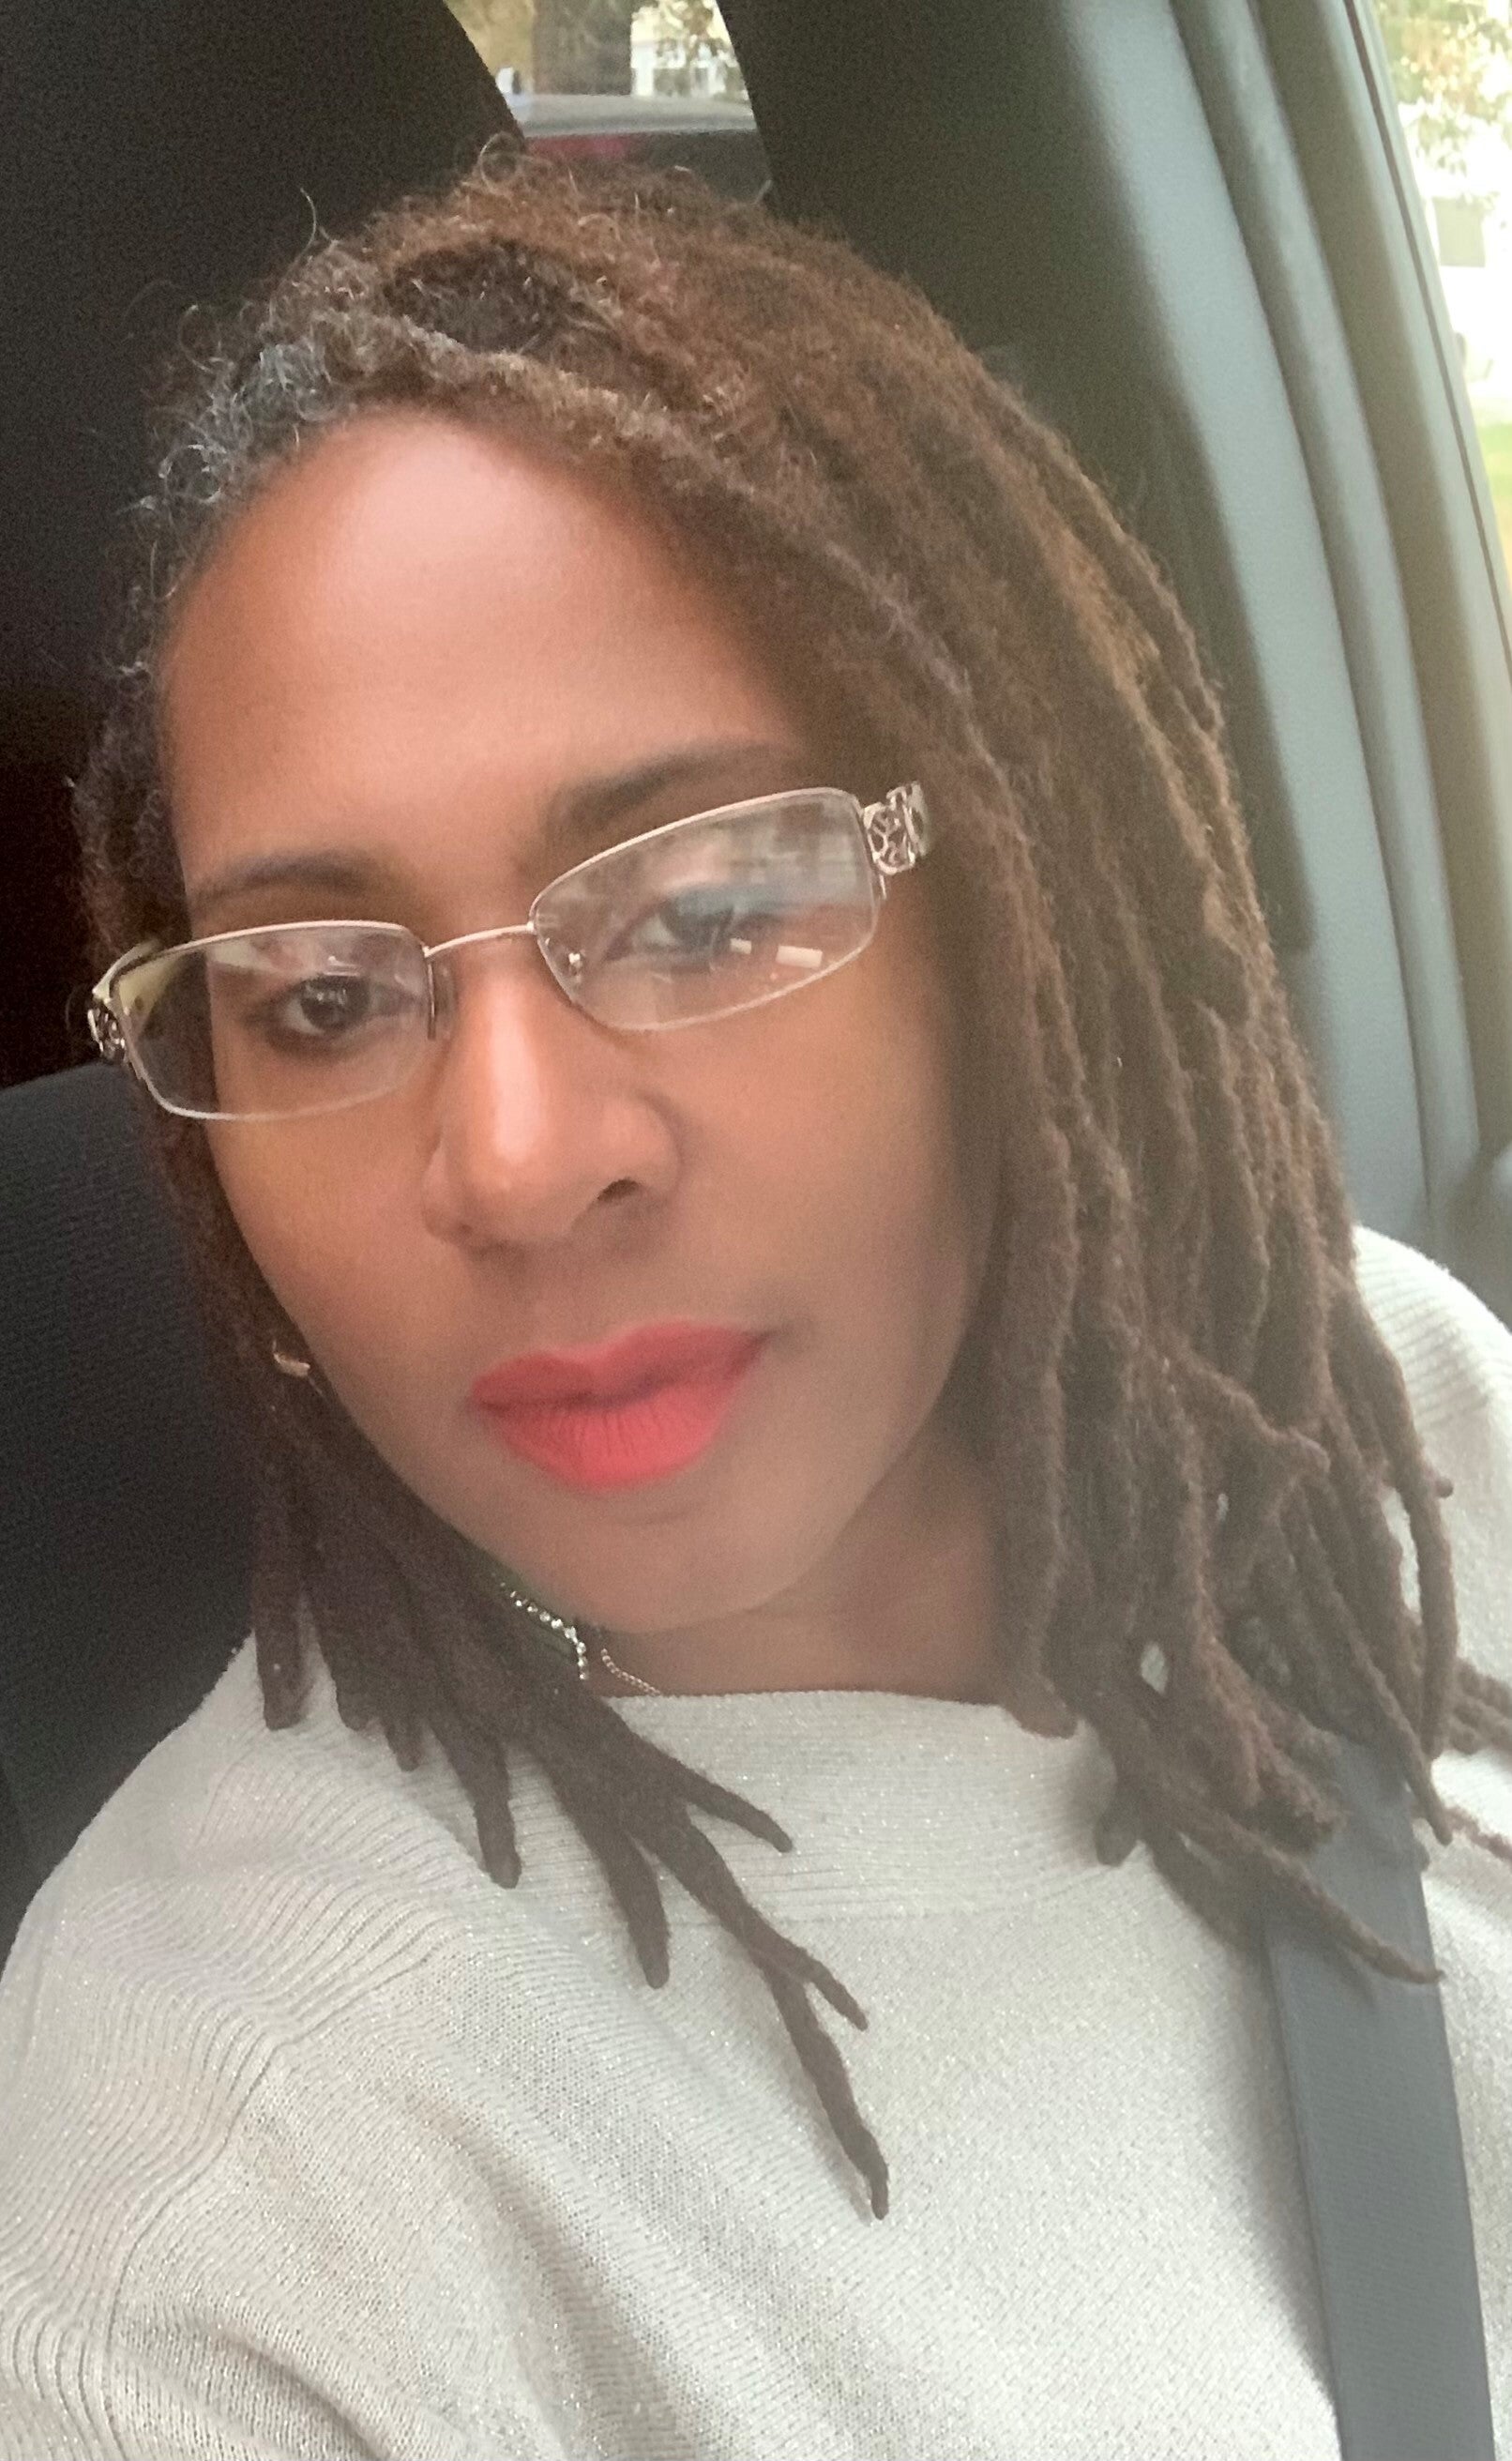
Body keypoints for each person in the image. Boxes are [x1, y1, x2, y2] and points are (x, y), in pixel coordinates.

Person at [0, 150, 1508, 2461]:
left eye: (704, 908)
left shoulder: (1374, 1398)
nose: (518, 1158)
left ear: (1007, 899)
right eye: (319, 997)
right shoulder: (215, 2227)